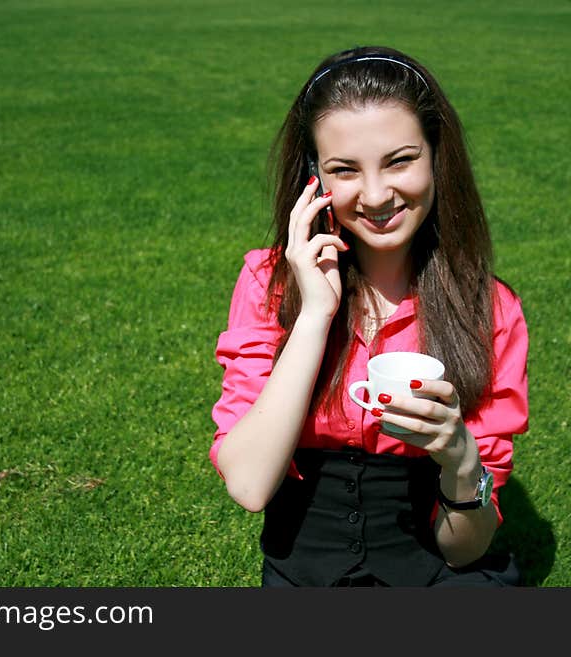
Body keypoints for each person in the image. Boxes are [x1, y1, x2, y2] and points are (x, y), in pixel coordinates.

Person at [209, 45, 529, 586]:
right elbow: (250, 485)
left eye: (401, 160)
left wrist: (461, 462)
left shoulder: (487, 306)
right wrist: (314, 314)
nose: (377, 194)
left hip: (438, 568)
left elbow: (463, 552)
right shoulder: (270, 283)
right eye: (345, 169)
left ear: (436, 156)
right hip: (307, 568)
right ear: (314, 176)